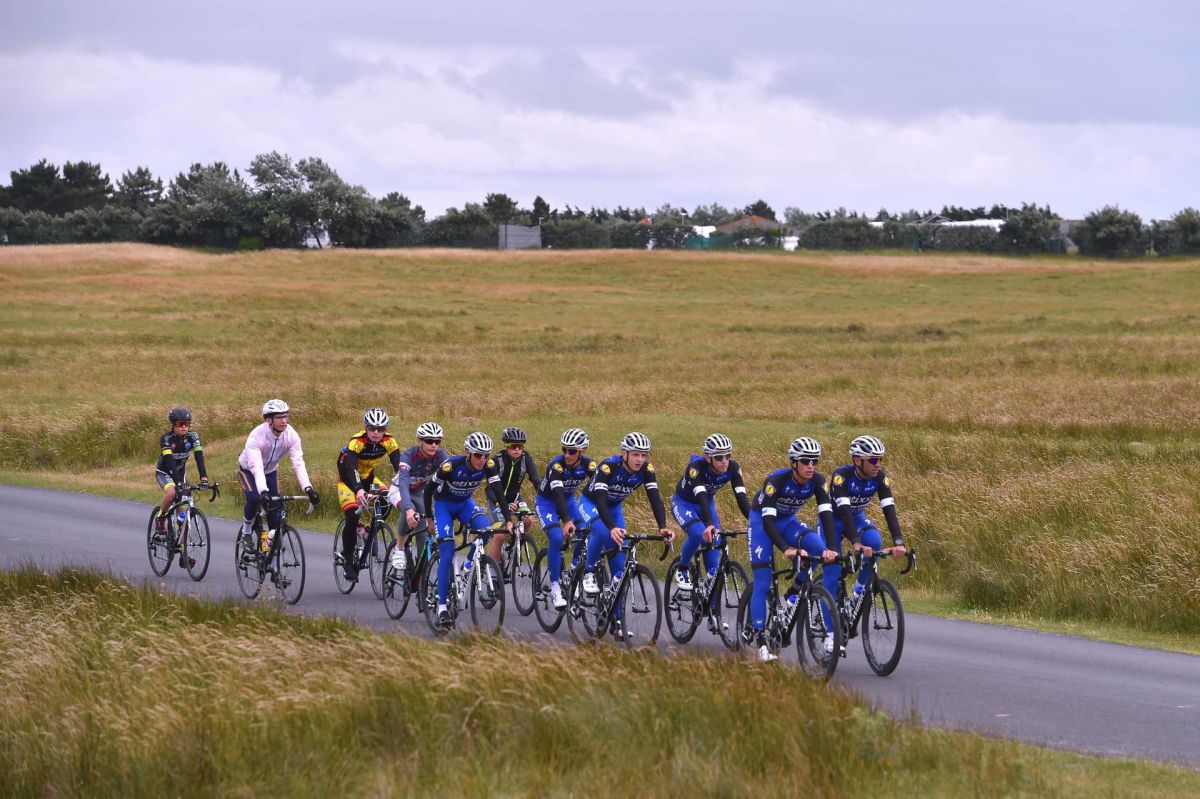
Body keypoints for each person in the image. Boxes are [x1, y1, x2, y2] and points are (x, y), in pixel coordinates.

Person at [746, 437, 837, 662]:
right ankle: (760, 641)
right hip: (762, 523)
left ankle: (793, 592)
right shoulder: (776, 481)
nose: (811, 466)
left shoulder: (818, 481)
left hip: (788, 521)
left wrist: (831, 548)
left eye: (814, 461)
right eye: (805, 461)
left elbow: (827, 515)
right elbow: (768, 522)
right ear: (794, 462)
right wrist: (786, 549)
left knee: (817, 547)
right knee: (763, 581)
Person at [578, 432, 673, 637]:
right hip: (592, 503)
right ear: (625, 453)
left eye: (643, 455)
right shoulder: (608, 467)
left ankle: (617, 621)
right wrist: (612, 527)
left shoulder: (647, 470)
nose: (640, 459)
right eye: (636, 454)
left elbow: (655, 498)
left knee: (619, 570)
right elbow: (600, 501)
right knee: (602, 532)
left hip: (614, 508)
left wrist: (662, 527)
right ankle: (588, 572)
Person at [824, 435, 907, 649]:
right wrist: (855, 543)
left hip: (857, 518)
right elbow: (844, 511)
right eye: (873, 460)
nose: (878, 464)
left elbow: (889, 509)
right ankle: (830, 635)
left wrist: (899, 542)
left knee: (874, 540)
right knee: (832, 575)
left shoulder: (879, 477)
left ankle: (858, 592)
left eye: (880, 459)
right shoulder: (841, 476)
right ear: (857, 460)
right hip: (833, 521)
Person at [423, 432, 512, 628]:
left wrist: (508, 520)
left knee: (486, 529)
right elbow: (428, 490)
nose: (482, 459)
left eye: (486, 455)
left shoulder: (488, 466)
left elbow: (499, 493)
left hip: (465, 504)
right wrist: (429, 518)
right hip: (444, 507)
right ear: (467, 453)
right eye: (478, 455)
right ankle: (442, 607)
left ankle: (468, 565)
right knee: (447, 553)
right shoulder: (451, 466)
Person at [670, 433, 751, 596]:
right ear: (708, 457)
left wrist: (755, 522)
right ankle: (683, 568)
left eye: (728, 456)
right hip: (684, 503)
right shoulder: (696, 468)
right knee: (698, 533)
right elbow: (701, 496)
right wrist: (709, 525)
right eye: (719, 457)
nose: (725, 461)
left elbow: (741, 498)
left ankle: (711, 606)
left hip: (707, 504)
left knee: (714, 564)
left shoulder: (733, 468)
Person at [237, 399, 320, 553]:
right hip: (248, 470)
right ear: (269, 420)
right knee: (254, 498)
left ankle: (271, 547)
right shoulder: (257, 436)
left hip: (270, 472)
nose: (284, 421)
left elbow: (298, 463)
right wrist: (263, 492)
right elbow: (256, 467)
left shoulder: (291, 435)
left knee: (274, 509)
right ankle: (246, 532)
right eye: (279, 417)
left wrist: (308, 488)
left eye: (286, 416)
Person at [533, 427, 596, 609]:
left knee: (586, 531)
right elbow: (558, 494)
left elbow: (600, 490)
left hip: (569, 501)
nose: (567, 454)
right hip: (547, 502)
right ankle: (555, 588)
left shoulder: (589, 465)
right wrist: (567, 521)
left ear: (582, 451)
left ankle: (574, 569)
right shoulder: (556, 466)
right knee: (556, 538)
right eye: (564, 450)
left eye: (572, 451)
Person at [335, 407, 402, 581]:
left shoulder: (389, 441)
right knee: (352, 515)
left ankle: (371, 531)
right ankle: (348, 561)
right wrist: (358, 489)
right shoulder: (356, 441)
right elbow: (351, 468)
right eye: (372, 428)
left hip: (369, 478)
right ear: (366, 428)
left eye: (380, 429)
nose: (376, 432)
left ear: (385, 430)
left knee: (387, 499)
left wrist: (405, 484)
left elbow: (399, 467)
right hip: (348, 481)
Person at [386, 421, 449, 577]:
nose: (434, 445)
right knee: (411, 513)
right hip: (399, 490)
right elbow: (403, 484)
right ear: (420, 441)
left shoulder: (441, 456)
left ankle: (421, 575)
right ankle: (399, 548)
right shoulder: (408, 456)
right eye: (429, 441)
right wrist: (408, 509)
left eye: (437, 441)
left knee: (423, 532)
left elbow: (446, 482)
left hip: (419, 492)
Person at [153, 406, 210, 568]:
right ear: (173, 425)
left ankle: (183, 554)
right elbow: (169, 462)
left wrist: (204, 478)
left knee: (182, 514)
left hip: (180, 474)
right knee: (172, 493)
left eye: (187, 424)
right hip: (165, 472)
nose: (184, 427)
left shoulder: (193, 437)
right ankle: (161, 517)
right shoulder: (166, 438)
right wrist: (178, 483)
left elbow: (199, 457)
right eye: (180, 424)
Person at [486, 426, 541, 565]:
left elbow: (536, 479)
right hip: (496, 499)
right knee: (500, 534)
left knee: (528, 520)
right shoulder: (497, 460)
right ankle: (494, 570)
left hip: (515, 497)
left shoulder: (526, 458)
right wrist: (502, 503)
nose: (517, 449)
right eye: (513, 446)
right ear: (506, 446)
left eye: (520, 446)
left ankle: (515, 547)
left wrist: (544, 498)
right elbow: (490, 489)